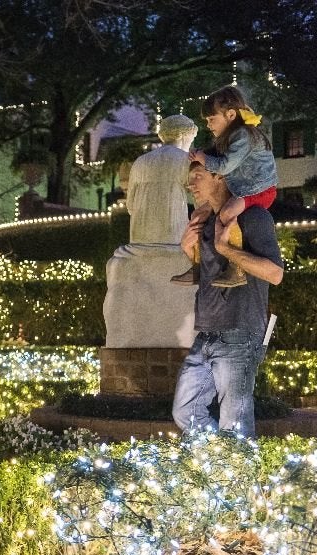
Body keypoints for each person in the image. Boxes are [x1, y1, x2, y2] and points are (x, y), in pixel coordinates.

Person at [171, 158, 283, 438]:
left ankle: (238, 476)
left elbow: (274, 273)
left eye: (197, 175)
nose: (190, 183)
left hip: (241, 331)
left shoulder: (253, 217)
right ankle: (218, 466)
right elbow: (209, 275)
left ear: (219, 176)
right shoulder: (207, 221)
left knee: (235, 424)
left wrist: (225, 248)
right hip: (207, 332)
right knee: (185, 412)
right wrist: (189, 251)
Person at [171, 86, 278, 288]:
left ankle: (236, 269)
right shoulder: (230, 138)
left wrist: (203, 158)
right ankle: (197, 266)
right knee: (197, 216)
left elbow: (225, 165)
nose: (209, 125)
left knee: (227, 213)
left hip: (258, 190)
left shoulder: (243, 135)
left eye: (212, 119)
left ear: (230, 115)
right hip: (242, 189)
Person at [125, 114, 198, 245]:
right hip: (173, 239)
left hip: (139, 242)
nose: (191, 144)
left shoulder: (140, 161)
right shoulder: (186, 160)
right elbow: (200, 202)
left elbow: (130, 206)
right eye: (191, 139)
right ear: (182, 135)